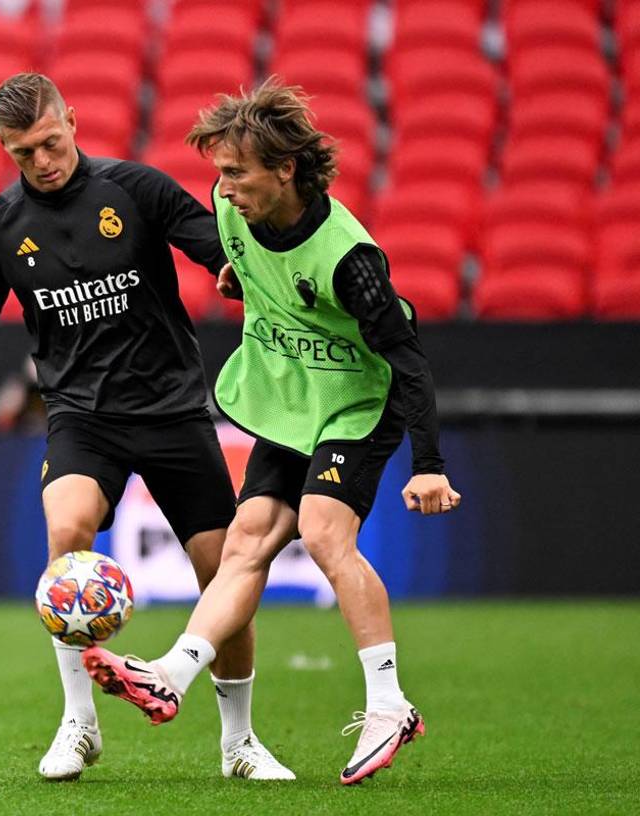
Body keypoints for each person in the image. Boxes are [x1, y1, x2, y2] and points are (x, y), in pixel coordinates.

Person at [0, 73, 293, 782]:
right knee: (66, 531)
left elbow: (214, 243)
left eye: (50, 143)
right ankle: (78, 724)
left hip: (173, 412)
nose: (43, 161)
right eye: (24, 153)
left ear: (72, 122)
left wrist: (238, 273)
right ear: (4, 148)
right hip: (82, 418)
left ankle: (239, 742)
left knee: (222, 571)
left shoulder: (135, 190)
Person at [82, 80, 462, 786]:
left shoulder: (350, 259)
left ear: (285, 169)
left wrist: (429, 462)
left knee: (322, 532)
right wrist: (243, 285)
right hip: (292, 400)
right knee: (248, 535)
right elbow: (260, 277)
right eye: (219, 173)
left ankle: (389, 704)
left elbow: (408, 360)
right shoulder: (236, 220)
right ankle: (172, 673)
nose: (223, 191)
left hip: (356, 402)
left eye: (236, 173)